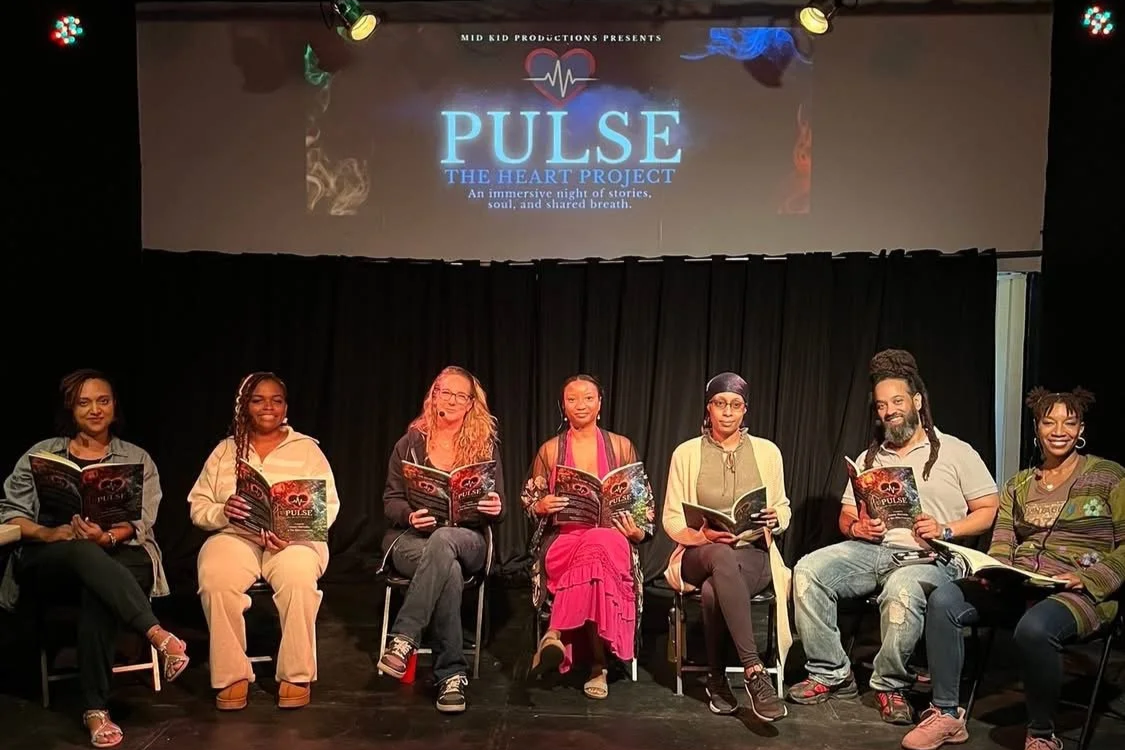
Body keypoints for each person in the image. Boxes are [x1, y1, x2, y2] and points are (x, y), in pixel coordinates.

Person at [902, 388, 1125, 750]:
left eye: (1069, 423)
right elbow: (1003, 542)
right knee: (944, 600)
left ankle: (1041, 734)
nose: (1059, 431)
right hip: (1022, 585)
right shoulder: (1018, 485)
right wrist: (995, 571)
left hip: (1081, 592)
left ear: (1081, 428)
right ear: (1037, 428)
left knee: (1034, 628)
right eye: (1049, 422)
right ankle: (946, 713)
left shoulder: (1109, 476)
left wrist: (1087, 579)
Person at [787, 349, 1000, 725]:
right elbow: (846, 515)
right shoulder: (871, 458)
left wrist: (946, 529)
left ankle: (890, 685)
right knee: (808, 570)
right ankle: (831, 672)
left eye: (897, 401)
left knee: (903, 588)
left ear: (917, 401)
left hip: (934, 556)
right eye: (882, 405)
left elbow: (988, 509)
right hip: (875, 550)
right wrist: (857, 528)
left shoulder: (956, 452)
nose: (889, 411)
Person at [0, 369, 188, 748]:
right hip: (52, 559)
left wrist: (107, 536)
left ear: (115, 406)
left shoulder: (136, 458)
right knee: (84, 553)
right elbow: (10, 514)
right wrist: (50, 533)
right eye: (84, 402)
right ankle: (157, 634)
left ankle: (95, 710)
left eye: (103, 400)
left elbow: (142, 520)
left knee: (98, 587)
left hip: (119, 553)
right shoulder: (41, 454)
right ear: (70, 409)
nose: (95, 410)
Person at [189, 372, 341, 711]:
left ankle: (296, 673)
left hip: (294, 540)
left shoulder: (306, 449)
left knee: (298, 575)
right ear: (245, 406)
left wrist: (292, 529)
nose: (268, 407)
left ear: (286, 407)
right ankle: (231, 674)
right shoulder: (225, 450)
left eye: (276, 400)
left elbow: (328, 504)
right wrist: (223, 511)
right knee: (215, 575)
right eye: (258, 400)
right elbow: (198, 506)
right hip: (237, 536)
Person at [662, 372, 792, 721]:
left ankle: (717, 679)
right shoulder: (686, 453)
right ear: (709, 408)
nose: (728, 412)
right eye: (720, 404)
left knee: (712, 590)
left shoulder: (768, 452)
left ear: (745, 410)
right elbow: (671, 518)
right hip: (699, 552)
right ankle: (754, 671)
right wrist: (704, 536)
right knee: (719, 556)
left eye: (736, 405)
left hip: (752, 553)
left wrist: (775, 519)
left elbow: (783, 507)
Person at [378, 366, 505, 713]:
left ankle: (404, 637)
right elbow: (391, 500)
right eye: (444, 392)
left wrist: (495, 506)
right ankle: (451, 675)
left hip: (468, 538)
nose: (450, 400)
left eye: (460, 396)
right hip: (414, 538)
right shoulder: (409, 444)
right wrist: (409, 515)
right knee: (446, 568)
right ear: (433, 396)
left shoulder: (483, 446)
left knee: (446, 540)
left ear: (471, 405)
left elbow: (501, 506)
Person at [523, 374, 655, 700]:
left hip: (612, 539)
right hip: (564, 541)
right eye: (572, 399)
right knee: (593, 556)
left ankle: (555, 633)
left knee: (599, 545)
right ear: (562, 406)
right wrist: (541, 505)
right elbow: (530, 500)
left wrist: (637, 530)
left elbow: (643, 505)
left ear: (599, 404)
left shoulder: (621, 446)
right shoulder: (550, 450)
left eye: (588, 398)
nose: (580, 405)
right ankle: (599, 666)